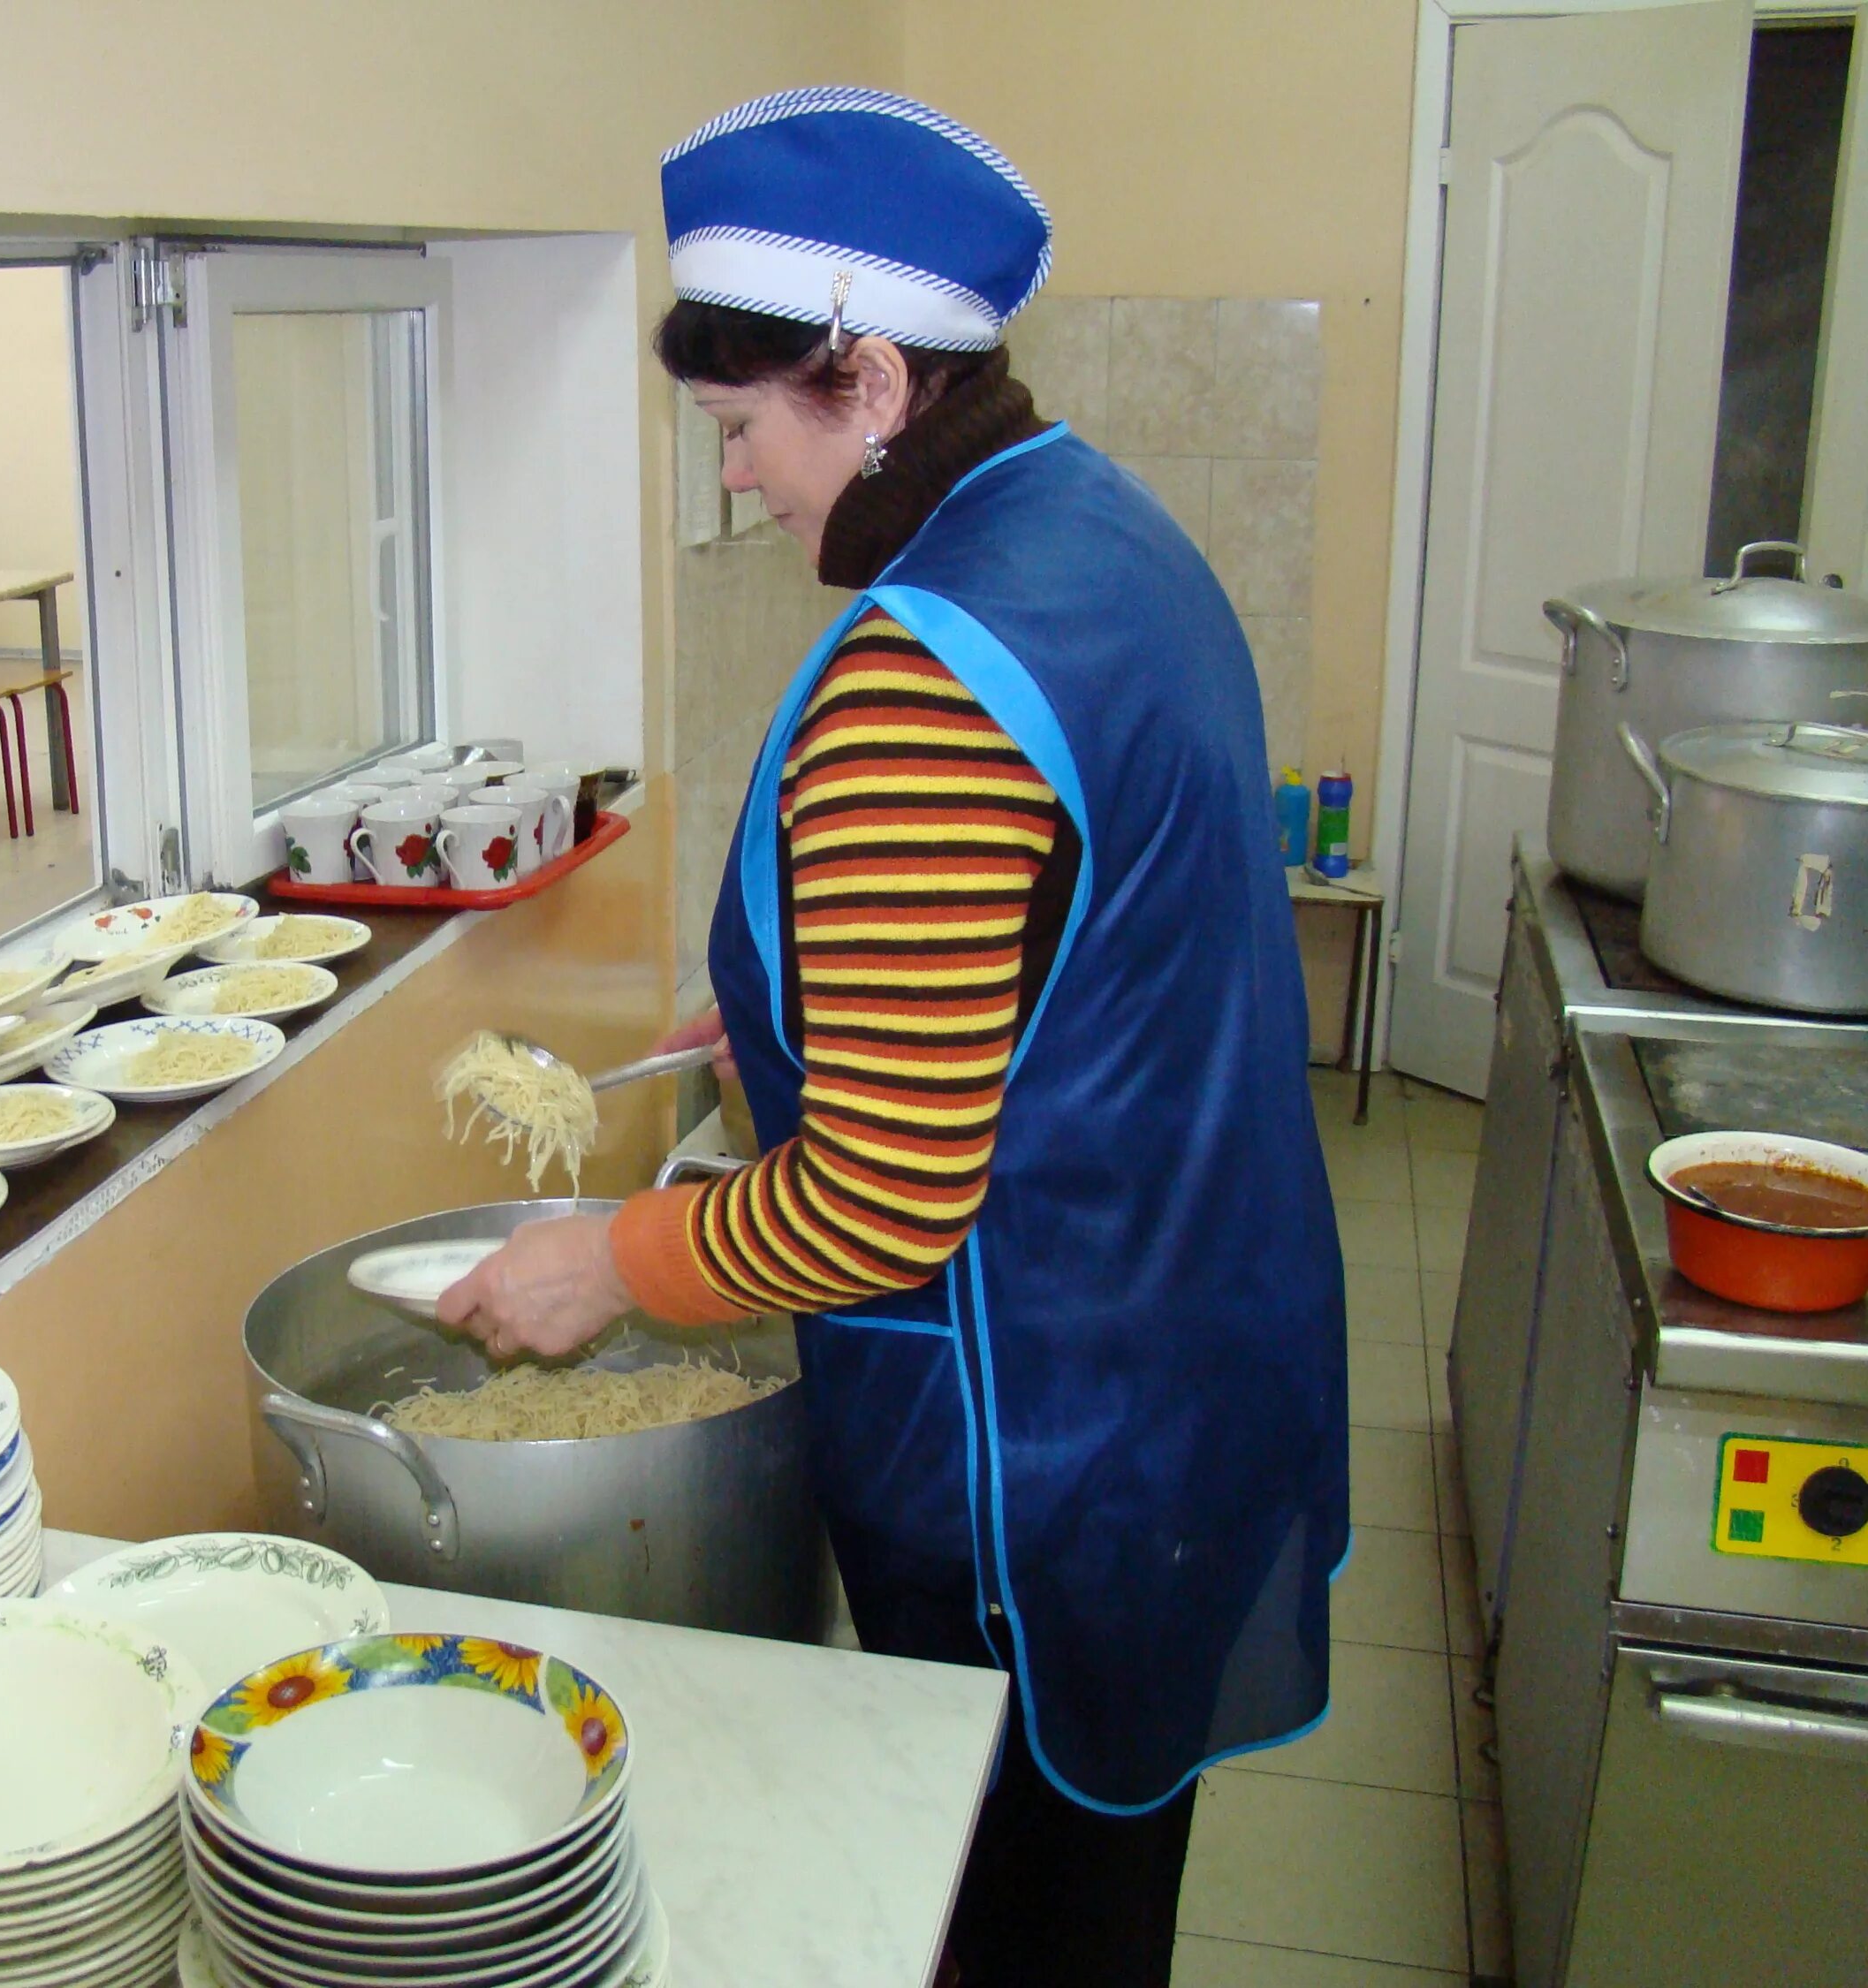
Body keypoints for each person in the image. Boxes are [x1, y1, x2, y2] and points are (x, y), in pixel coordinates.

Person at [437, 89, 1348, 1986]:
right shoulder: (1096, 527)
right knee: (1104, 1913)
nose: (739, 480)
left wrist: (605, 1260)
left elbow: (876, 1204)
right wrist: (801, 997)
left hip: (1043, 1444)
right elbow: (1085, 929)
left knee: (1027, 1929)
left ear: (866, 379)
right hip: (1182, 1363)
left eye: (743, 427)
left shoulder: (923, 680)